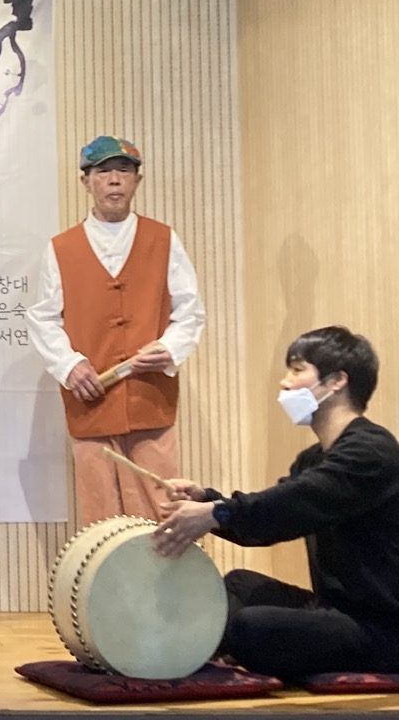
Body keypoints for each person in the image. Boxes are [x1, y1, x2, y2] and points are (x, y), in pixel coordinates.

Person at [153, 326, 399, 681]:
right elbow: (270, 521)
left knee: (252, 626)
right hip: (335, 611)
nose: (285, 383)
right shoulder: (313, 458)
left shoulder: (370, 452)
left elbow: (291, 505)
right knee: (238, 585)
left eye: (297, 370)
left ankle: (208, 649)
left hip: (383, 628)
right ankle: (192, 650)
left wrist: (216, 512)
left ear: (336, 381)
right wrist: (208, 500)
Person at [26, 135, 205, 526]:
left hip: (149, 398)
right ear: (85, 181)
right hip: (91, 399)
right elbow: (43, 318)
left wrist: (170, 348)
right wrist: (70, 366)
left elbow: (190, 309)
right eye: (103, 171)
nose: (113, 180)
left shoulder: (163, 239)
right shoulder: (61, 248)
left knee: (161, 509)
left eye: (123, 171)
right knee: (100, 518)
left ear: (137, 180)